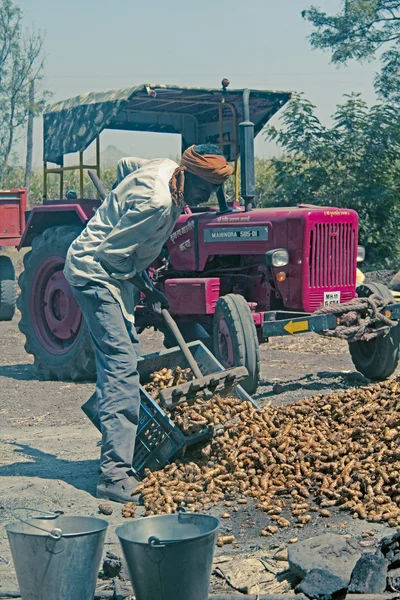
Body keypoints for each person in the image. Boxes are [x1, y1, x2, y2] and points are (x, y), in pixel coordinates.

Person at [63, 144, 233, 502]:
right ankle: (113, 474)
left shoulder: (164, 168)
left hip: (116, 273)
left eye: (212, 191)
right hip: (95, 274)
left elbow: (126, 164)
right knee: (122, 366)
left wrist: (117, 202)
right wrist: (144, 284)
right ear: (185, 174)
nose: (203, 198)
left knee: (125, 358)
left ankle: (117, 425)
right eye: (202, 188)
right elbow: (111, 256)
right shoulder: (156, 203)